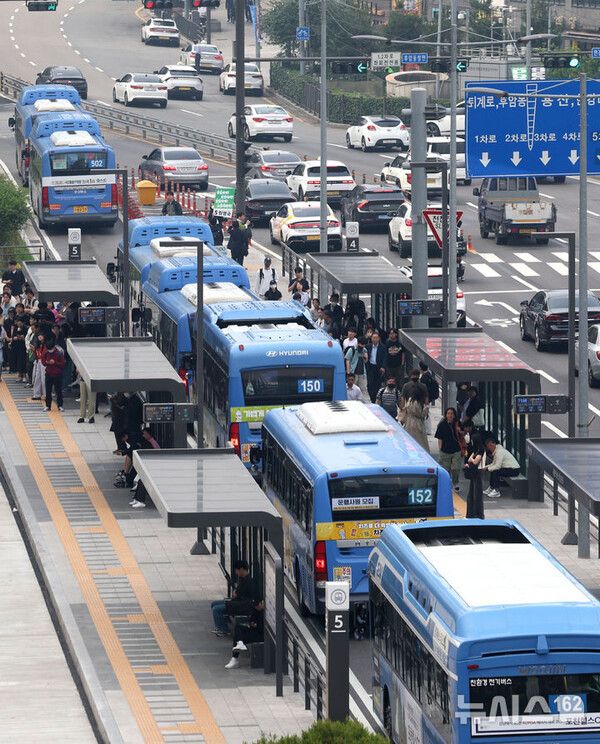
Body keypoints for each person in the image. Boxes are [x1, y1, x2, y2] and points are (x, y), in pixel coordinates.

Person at [211, 559, 256, 636]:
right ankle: (224, 623)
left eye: (237, 570)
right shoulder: (242, 578)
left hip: (242, 605)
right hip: (238, 602)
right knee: (214, 604)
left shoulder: (248, 581)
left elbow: (242, 594)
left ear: (241, 569)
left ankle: (223, 630)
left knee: (216, 609)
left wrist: (236, 594)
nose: (236, 572)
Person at [224, 599, 264, 669]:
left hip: (260, 634)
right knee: (238, 628)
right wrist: (252, 624)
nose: (257, 608)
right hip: (254, 630)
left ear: (261, 603)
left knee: (238, 637)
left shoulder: (265, 613)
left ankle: (235, 658)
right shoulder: (256, 610)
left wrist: (256, 625)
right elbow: (251, 620)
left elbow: (262, 627)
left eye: (258, 606)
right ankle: (240, 643)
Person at [435, 407, 464, 491]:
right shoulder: (442, 424)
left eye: (452, 413)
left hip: (456, 450)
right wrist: (440, 449)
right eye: (448, 413)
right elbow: (439, 438)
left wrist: (460, 431)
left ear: (454, 415)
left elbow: (463, 434)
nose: (450, 415)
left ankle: (455, 483)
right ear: (446, 415)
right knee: (446, 470)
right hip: (445, 450)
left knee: (455, 468)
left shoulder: (458, 423)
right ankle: (447, 484)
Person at [462, 419, 485, 518]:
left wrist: (470, 460)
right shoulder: (477, 448)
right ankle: (472, 513)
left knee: (476, 494)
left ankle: (476, 514)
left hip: (477, 472)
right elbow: (471, 457)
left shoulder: (479, 449)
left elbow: (474, 460)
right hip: (475, 472)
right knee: (473, 493)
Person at [403, 384, 430, 452]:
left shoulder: (409, 400)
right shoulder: (417, 403)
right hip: (417, 423)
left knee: (410, 441)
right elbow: (420, 414)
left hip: (409, 422)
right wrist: (426, 408)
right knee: (420, 441)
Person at [42, 336, 66, 411]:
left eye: (50, 349)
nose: (49, 351)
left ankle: (60, 405)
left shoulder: (59, 352)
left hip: (57, 374)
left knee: (58, 390)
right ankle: (48, 406)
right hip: (48, 373)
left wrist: (55, 362)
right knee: (48, 390)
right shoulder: (46, 352)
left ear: (53, 347)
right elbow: (43, 362)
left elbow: (63, 364)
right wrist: (47, 362)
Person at [366, 331, 387, 403]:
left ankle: (376, 399)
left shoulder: (383, 347)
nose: (374, 339)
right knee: (370, 384)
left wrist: (383, 367)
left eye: (376, 338)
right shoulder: (368, 346)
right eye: (373, 338)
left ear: (379, 339)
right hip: (370, 367)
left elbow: (384, 358)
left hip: (378, 367)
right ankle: (371, 398)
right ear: (371, 338)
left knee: (377, 384)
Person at [9, 317, 27, 382]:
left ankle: (24, 376)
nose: (18, 323)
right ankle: (19, 375)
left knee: (23, 361)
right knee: (18, 361)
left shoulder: (25, 328)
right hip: (17, 347)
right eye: (17, 322)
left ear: (22, 322)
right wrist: (14, 338)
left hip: (23, 347)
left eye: (19, 322)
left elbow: (27, 337)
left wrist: (22, 337)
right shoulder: (15, 328)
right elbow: (13, 336)